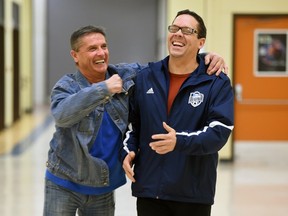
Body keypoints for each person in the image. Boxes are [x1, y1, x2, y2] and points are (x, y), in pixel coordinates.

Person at [43, 24, 227, 216]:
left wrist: (204, 56)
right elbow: (62, 115)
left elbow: (169, 66)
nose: (101, 53)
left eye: (103, 46)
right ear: (75, 55)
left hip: (102, 187)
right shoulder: (66, 86)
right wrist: (104, 89)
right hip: (64, 182)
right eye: (92, 49)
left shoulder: (125, 75)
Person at [121, 9, 234, 216]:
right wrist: (129, 151)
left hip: (192, 194)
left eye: (187, 30)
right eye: (174, 28)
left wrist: (178, 141)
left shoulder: (216, 82)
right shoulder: (146, 76)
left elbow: (219, 132)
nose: (178, 34)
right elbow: (133, 126)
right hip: (150, 191)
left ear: (201, 42)